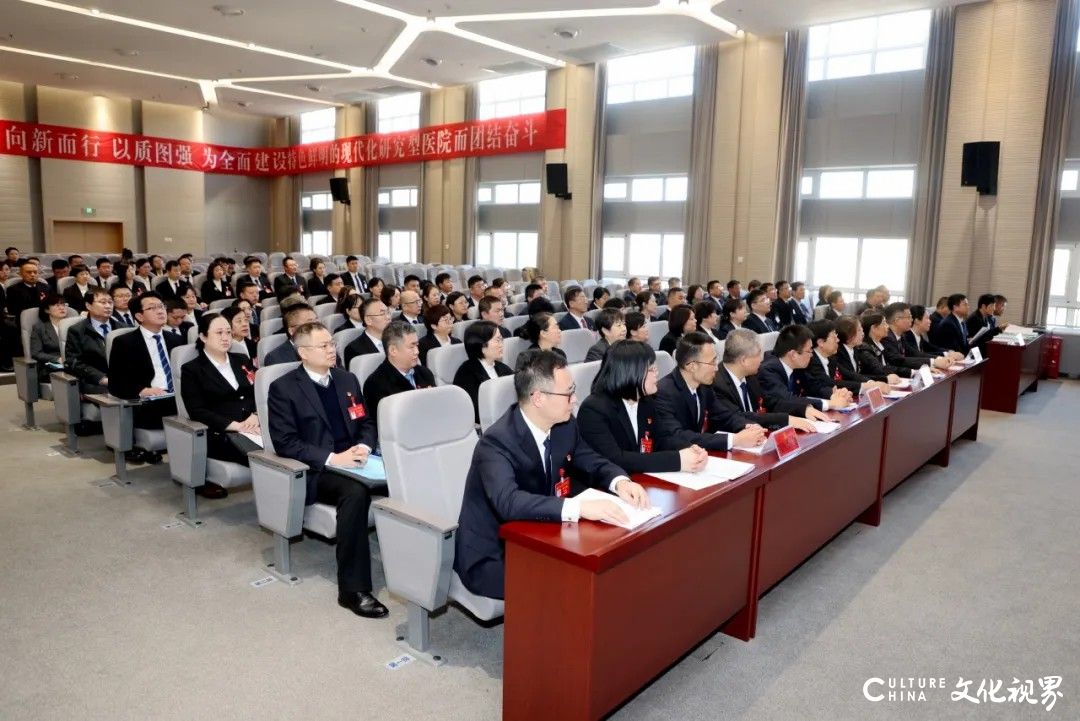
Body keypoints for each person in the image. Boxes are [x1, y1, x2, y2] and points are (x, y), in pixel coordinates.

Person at [454, 349, 650, 599]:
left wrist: (620, 482)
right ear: (538, 398)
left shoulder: (564, 425)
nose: (575, 399)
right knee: (574, 584)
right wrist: (579, 508)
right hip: (496, 552)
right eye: (568, 393)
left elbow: (590, 459)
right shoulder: (496, 443)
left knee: (612, 563)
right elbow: (509, 502)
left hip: (544, 534)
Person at [267, 321, 388, 620]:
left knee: (409, 476)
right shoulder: (283, 388)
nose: (332, 350)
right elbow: (285, 443)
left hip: (358, 459)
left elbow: (366, 422)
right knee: (355, 494)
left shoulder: (347, 379)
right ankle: (352, 589)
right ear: (303, 352)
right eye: (324, 346)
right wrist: (334, 458)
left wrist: (364, 446)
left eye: (332, 343)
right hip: (319, 469)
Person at [579, 339, 709, 474]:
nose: (657, 373)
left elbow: (661, 439)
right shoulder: (594, 409)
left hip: (641, 478)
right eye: (651, 369)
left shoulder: (646, 401)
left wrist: (689, 449)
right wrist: (678, 460)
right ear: (630, 373)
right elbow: (615, 459)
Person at [179, 314, 261, 498]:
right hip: (222, 433)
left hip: (254, 425)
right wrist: (237, 426)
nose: (225, 337)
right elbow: (197, 411)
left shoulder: (241, 360)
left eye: (228, 332)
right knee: (271, 458)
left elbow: (258, 392)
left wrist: (255, 414)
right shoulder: (192, 369)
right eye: (219, 333)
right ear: (203, 337)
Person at [653, 332, 767, 452]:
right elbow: (678, 436)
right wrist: (734, 439)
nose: (717, 368)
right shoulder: (663, 393)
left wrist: (748, 426)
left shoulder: (704, 385)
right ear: (692, 366)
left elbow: (724, 415)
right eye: (712, 362)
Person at [107, 292, 184, 464]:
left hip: (178, 398)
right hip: (151, 403)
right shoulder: (125, 343)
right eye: (152, 308)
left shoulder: (177, 340)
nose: (160, 311)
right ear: (139, 316)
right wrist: (143, 390)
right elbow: (116, 384)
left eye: (161, 306)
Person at [712, 329, 828, 430]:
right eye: (758, 355)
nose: (761, 359)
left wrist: (803, 409)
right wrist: (786, 419)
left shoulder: (751, 375)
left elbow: (772, 402)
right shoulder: (716, 384)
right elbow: (740, 417)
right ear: (744, 361)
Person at [757, 325, 853, 412]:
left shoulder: (797, 366)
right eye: (809, 351)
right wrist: (830, 404)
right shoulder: (768, 370)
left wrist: (834, 394)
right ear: (793, 354)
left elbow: (813, 387)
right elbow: (787, 400)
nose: (812, 355)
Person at [362, 321, 435, 429]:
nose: (417, 351)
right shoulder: (375, 384)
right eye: (411, 347)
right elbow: (385, 426)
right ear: (393, 350)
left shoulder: (425, 373)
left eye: (417, 345)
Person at [805, 319, 891, 395]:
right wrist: (865, 386)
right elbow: (830, 383)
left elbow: (849, 374)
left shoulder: (831, 358)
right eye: (834, 337)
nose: (838, 340)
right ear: (821, 343)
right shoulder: (810, 361)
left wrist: (870, 383)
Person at [454, 320, 513, 424]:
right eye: (497, 340)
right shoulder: (466, 373)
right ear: (481, 345)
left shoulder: (503, 368)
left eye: (501, 340)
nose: (501, 344)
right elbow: (474, 411)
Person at [64, 287, 118, 397]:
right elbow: (74, 362)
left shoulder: (123, 329)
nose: (108, 306)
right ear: (88, 306)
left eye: (110, 302)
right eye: (103, 302)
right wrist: (101, 378)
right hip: (95, 382)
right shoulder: (77, 331)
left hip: (125, 381)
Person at [882, 302, 951, 371]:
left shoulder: (901, 336)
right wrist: (933, 362)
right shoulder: (886, 337)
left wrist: (937, 359)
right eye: (909, 317)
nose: (912, 320)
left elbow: (914, 353)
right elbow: (899, 360)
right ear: (897, 320)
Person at [833, 316, 900, 385]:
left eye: (862, 329)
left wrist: (883, 379)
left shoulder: (855, 349)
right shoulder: (838, 353)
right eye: (859, 330)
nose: (863, 334)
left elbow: (860, 375)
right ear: (848, 333)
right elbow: (850, 377)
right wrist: (883, 380)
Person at [856, 312, 916, 380]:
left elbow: (894, 362)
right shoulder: (865, 349)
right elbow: (881, 369)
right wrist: (911, 372)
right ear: (874, 328)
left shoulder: (882, 343)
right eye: (884, 323)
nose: (887, 326)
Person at [342, 298, 390, 369]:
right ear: (368, 320)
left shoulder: (397, 340)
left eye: (388, 312)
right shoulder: (354, 349)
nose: (388, 317)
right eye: (382, 313)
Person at [6, 260, 50, 330]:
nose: (32, 274)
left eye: (35, 272)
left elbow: (51, 304)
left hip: (45, 320)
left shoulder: (46, 287)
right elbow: (12, 310)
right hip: (23, 321)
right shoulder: (13, 290)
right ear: (21, 274)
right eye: (29, 272)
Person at [30, 294, 67, 375]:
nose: (62, 308)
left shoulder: (72, 326)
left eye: (63, 304)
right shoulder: (39, 328)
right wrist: (57, 359)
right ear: (47, 310)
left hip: (72, 364)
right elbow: (36, 353)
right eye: (57, 305)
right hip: (51, 366)